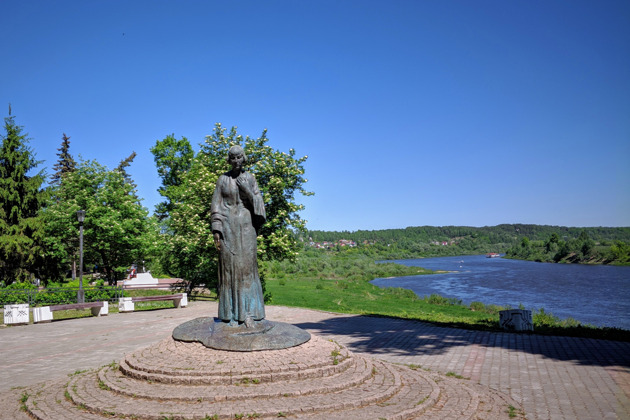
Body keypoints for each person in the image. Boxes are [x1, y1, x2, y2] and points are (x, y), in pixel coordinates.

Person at [211, 145, 266, 327]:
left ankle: (249, 313)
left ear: (244, 158)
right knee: (229, 269)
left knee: (246, 269)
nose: (236, 161)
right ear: (229, 160)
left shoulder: (249, 178)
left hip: (246, 228)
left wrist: (247, 191)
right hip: (228, 229)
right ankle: (230, 314)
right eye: (232, 158)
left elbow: (259, 204)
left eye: (239, 157)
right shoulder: (222, 180)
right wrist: (216, 230)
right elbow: (216, 206)